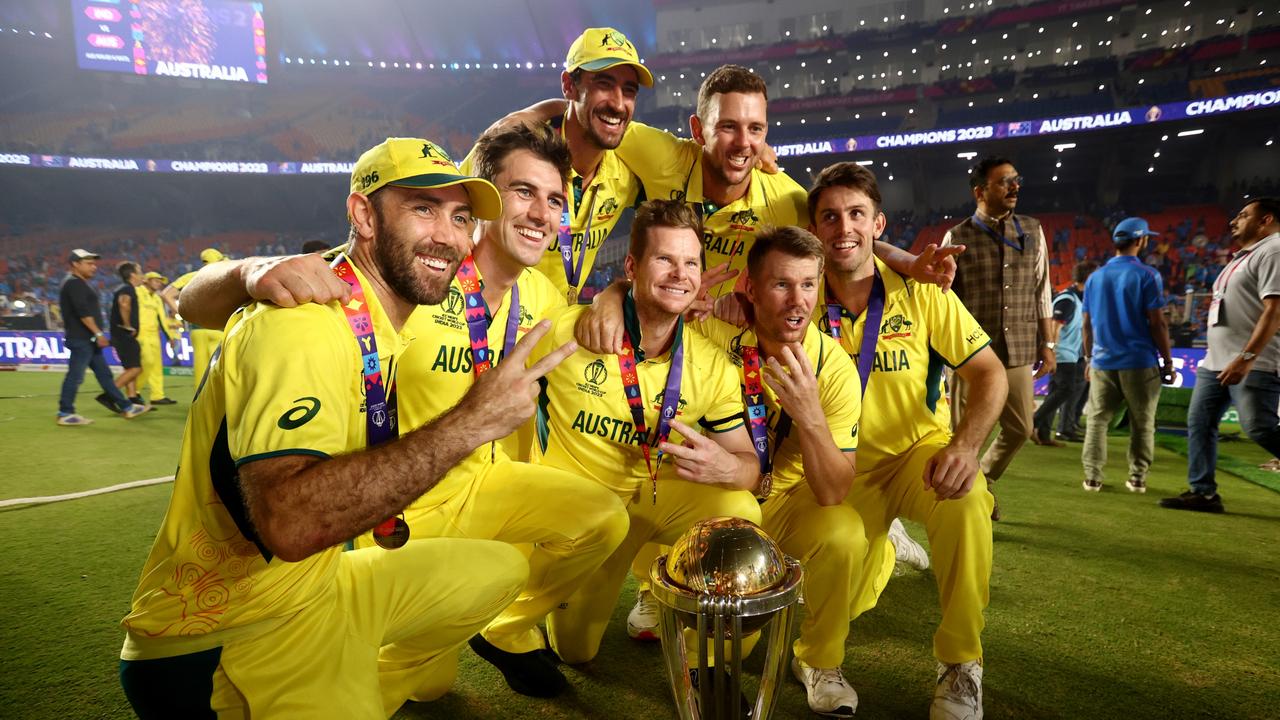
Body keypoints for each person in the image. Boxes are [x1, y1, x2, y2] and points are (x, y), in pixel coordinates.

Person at [165, 128, 631, 710]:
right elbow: (186, 299)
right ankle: (379, 668)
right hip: (263, 603)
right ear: (362, 215)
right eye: (423, 209)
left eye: (460, 216)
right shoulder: (328, 310)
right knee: (425, 683)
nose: (446, 232)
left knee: (529, 555)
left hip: (383, 537)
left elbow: (592, 324)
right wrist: (246, 271)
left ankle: (497, 633)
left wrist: (617, 291)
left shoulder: (508, 300)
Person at [533, 200, 760, 686]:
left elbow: (749, 468)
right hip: (583, 519)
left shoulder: (712, 364)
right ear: (632, 266)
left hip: (652, 500)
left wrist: (727, 466)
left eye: (691, 263)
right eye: (665, 260)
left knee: (741, 510)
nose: (680, 274)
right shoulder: (571, 332)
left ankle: (703, 664)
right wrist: (609, 297)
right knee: (574, 653)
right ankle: (553, 591)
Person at [813, 163, 1006, 720]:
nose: (842, 228)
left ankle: (961, 664)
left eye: (856, 214)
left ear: (879, 225)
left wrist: (966, 446)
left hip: (915, 458)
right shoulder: (799, 296)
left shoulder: (922, 293)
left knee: (967, 499)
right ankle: (820, 657)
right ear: (814, 229)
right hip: (836, 473)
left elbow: (989, 375)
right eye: (829, 216)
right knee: (833, 600)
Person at [464, 26, 652, 304]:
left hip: (556, 322)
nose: (618, 103)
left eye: (629, 90)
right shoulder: (515, 147)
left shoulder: (628, 173)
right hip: (485, 315)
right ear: (569, 86)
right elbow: (453, 205)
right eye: (603, 84)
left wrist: (619, 293)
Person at [943, 156, 1055, 519]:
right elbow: (944, 297)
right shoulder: (956, 236)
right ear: (980, 191)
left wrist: (1048, 344)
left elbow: (1043, 290)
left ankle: (983, 478)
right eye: (1004, 181)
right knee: (962, 431)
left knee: (1021, 427)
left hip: (1019, 347)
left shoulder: (1034, 230)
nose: (1014, 187)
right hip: (970, 353)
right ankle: (964, 501)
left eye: (1016, 180)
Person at [1162, 197, 1280, 512]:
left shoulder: (1275, 250)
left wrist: (1247, 356)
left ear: (1266, 220)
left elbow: (1275, 309)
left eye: (1243, 216)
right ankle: (1203, 492)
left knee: (1260, 426)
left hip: (1254, 359)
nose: (1233, 221)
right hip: (1214, 362)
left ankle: (1203, 490)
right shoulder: (1242, 257)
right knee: (1199, 422)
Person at [1080, 218, 1175, 493]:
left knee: (1097, 421)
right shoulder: (1147, 275)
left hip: (1102, 361)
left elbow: (1087, 325)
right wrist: (1167, 362)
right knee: (1142, 423)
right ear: (1140, 240)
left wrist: (1088, 359)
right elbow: (1157, 323)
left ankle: (1093, 477)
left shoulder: (1094, 277)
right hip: (1139, 361)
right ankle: (1137, 478)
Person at [56, 249, 147, 425]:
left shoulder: (78, 283)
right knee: (75, 376)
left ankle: (126, 407)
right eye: (89, 263)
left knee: (104, 375)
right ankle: (65, 412)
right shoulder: (74, 284)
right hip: (82, 338)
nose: (94, 267)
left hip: (87, 339)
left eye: (94, 263)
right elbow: (82, 312)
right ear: (75, 264)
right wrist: (98, 333)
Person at [1032, 261, 1097, 445]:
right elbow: (1055, 325)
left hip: (1068, 354)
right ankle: (1033, 421)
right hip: (1062, 354)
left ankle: (1043, 435)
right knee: (1066, 389)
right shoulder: (1067, 299)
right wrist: (1051, 350)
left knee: (1055, 391)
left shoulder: (1077, 299)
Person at [163, 248, 229, 387]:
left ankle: (199, 406)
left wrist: (183, 313)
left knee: (200, 369)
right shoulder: (225, 277)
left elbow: (166, 295)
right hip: (218, 329)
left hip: (197, 329)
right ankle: (218, 407)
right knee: (219, 370)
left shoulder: (192, 276)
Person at [106, 261, 147, 410]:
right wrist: (127, 325)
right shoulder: (127, 289)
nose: (142, 274)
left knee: (130, 367)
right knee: (136, 368)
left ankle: (132, 398)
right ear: (132, 275)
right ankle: (110, 395)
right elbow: (124, 304)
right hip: (124, 335)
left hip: (119, 335)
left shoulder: (125, 288)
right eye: (139, 271)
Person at [137, 271, 180, 405]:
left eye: (160, 281)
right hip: (140, 334)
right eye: (156, 280)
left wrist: (169, 337)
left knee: (156, 366)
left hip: (154, 335)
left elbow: (162, 319)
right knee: (147, 363)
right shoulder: (137, 292)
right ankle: (134, 392)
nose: (159, 283)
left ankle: (157, 396)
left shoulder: (156, 298)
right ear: (146, 281)